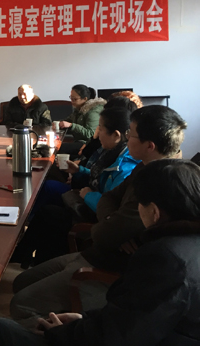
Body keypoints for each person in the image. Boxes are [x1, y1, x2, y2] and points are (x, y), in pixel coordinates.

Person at [0, 158, 200, 346]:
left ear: (154, 212)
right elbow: (131, 318)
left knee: (0, 329)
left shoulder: (166, 258)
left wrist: (63, 332)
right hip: (112, 327)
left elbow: (118, 336)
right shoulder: (185, 245)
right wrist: (83, 321)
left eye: (139, 204)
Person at [9, 105, 186, 327]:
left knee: (20, 305)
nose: (127, 138)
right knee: (20, 282)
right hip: (97, 252)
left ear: (149, 146)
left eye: (131, 134)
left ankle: (64, 334)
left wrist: (112, 226)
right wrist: (114, 222)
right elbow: (108, 198)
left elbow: (103, 234)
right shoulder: (143, 168)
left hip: (109, 266)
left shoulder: (160, 185)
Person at [12, 106, 139, 268]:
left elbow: (111, 204)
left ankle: (31, 260)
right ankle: (25, 256)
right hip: (89, 201)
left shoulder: (124, 166)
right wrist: (79, 171)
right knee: (47, 209)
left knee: (50, 214)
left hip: (97, 217)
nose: (97, 132)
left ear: (116, 135)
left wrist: (88, 195)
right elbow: (100, 178)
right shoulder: (112, 152)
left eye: (100, 128)